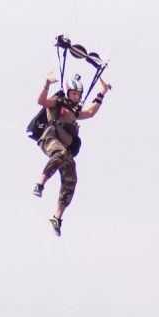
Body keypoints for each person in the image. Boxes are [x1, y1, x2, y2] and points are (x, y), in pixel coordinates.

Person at [33, 71, 110, 236]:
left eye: (78, 94)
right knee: (60, 153)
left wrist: (102, 93)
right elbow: (41, 101)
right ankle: (40, 183)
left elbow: (90, 113)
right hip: (50, 138)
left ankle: (57, 217)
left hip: (64, 149)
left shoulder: (74, 111)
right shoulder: (58, 103)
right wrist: (47, 83)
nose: (76, 96)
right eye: (73, 93)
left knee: (71, 179)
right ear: (68, 92)